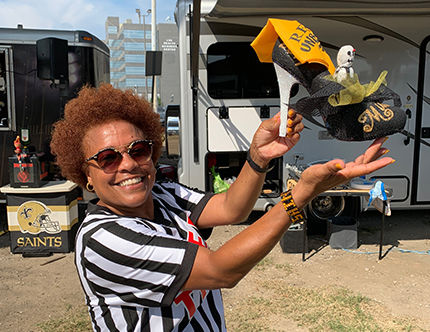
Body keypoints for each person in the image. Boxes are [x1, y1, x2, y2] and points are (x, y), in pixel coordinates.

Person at [50, 83, 393, 331]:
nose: (128, 165)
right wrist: (299, 196)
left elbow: (232, 209)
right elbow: (220, 272)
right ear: (86, 176)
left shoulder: (164, 195)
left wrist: (258, 157)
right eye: (107, 158)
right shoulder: (102, 240)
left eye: (138, 150)